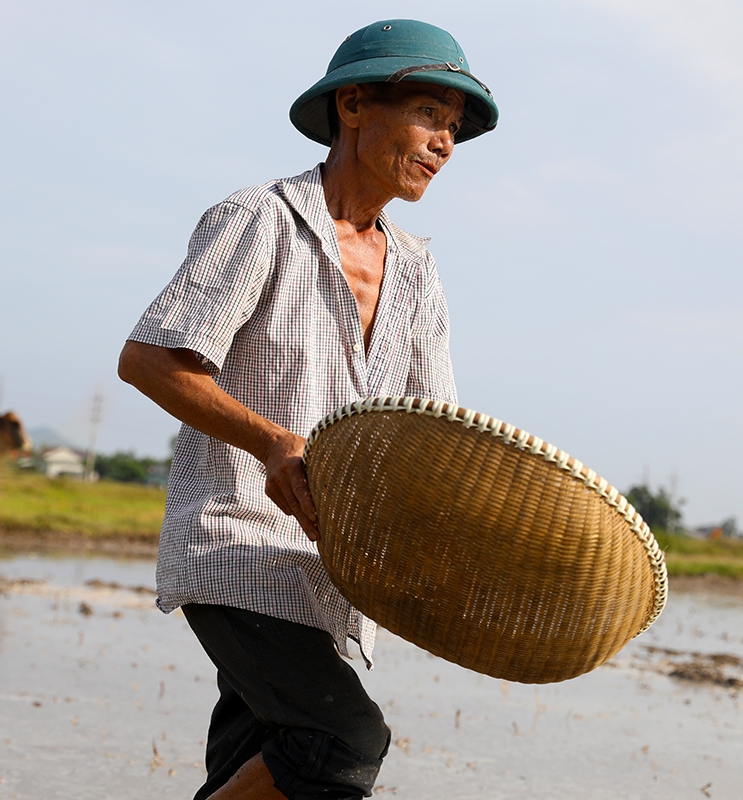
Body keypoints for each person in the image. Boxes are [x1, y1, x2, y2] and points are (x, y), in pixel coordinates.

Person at [118, 19, 498, 800]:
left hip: (328, 576)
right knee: (342, 744)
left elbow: (433, 437)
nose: (445, 142)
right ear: (354, 106)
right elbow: (150, 359)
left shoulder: (419, 272)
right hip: (237, 548)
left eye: (455, 128)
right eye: (430, 114)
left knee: (260, 771)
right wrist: (269, 442)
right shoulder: (261, 220)